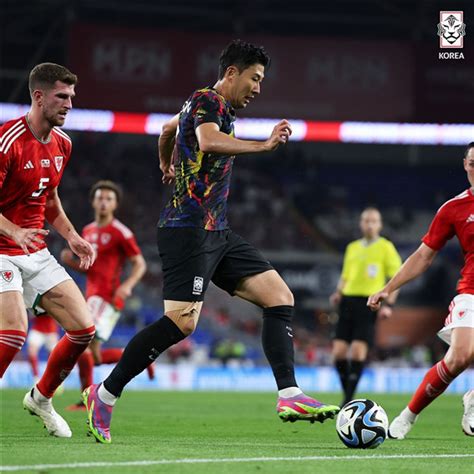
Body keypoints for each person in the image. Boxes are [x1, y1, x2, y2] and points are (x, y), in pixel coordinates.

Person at [83, 39, 340, 444]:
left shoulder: (198, 106)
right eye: (254, 79)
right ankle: (106, 393)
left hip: (216, 230)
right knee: (182, 322)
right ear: (232, 73)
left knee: (280, 297)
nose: (258, 88)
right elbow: (206, 141)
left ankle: (289, 394)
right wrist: (264, 145)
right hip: (187, 229)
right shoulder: (208, 101)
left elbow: (168, 130)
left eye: (262, 81)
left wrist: (165, 160)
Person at [0, 63, 96, 438]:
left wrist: (71, 236)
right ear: (38, 97)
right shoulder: (7, 141)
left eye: (71, 96)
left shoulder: (63, 144)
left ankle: (41, 398)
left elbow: (49, 197)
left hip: (35, 251)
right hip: (2, 248)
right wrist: (14, 231)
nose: (69, 104)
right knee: (13, 330)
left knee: (82, 328)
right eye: (62, 96)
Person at [368, 142, 474, 439]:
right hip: (471, 291)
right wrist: (389, 288)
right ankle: (409, 415)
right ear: (465, 165)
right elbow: (423, 256)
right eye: (472, 163)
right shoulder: (453, 209)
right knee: (460, 357)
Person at [60, 180, 148, 410]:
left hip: (107, 297)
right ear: (93, 201)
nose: (103, 202)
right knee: (93, 355)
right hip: (91, 296)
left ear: (115, 204)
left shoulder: (120, 232)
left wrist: (127, 285)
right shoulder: (88, 231)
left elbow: (139, 264)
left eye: (109, 199)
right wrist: (71, 262)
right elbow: (89, 267)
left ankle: (86, 398)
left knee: (81, 346)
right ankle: (138, 356)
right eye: (100, 198)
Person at [329, 208, 402, 406]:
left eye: (373, 221)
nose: (369, 224)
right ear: (361, 224)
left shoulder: (386, 247)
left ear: (380, 224)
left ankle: (347, 400)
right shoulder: (352, 247)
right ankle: (349, 393)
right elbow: (345, 276)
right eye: (366, 220)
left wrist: (389, 305)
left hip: (368, 303)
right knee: (338, 353)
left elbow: (396, 278)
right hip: (347, 301)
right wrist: (338, 293)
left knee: (358, 352)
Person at [26, 313, 60, 383]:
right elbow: (30, 314)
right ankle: (36, 378)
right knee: (31, 351)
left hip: (51, 330)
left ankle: (51, 378)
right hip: (37, 329)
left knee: (54, 357)